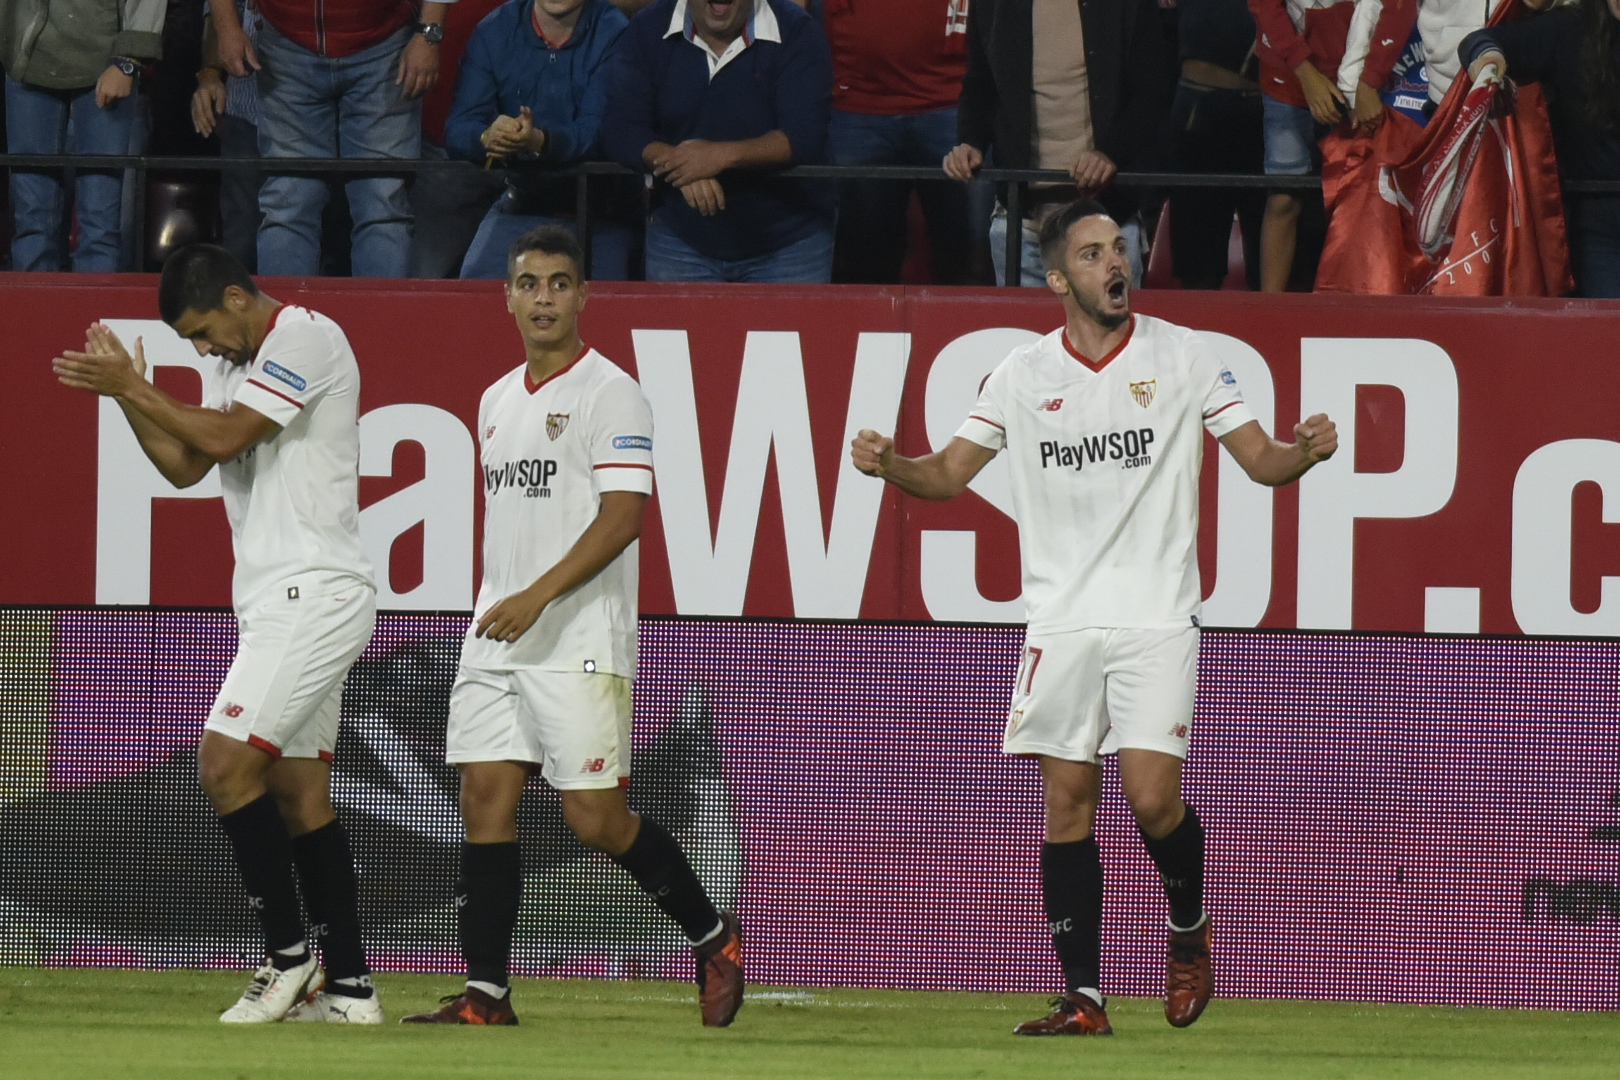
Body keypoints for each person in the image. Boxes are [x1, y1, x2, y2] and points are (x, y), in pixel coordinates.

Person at [850, 199, 1338, 1035]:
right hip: (1061, 620)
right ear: (1056, 278)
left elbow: (1261, 462)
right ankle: (1085, 997)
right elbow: (949, 474)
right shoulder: (1019, 374)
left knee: (1152, 800)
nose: (1115, 262)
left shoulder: (1185, 356)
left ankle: (1188, 930)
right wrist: (894, 464)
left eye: (1119, 247)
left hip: (1155, 614)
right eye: (1092, 253)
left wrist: (1303, 451)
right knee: (1067, 804)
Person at [401, 225, 743, 1027]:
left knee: (593, 820)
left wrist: (538, 597)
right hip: (498, 635)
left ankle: (711, 932)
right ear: (509, 296)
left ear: (584, 296)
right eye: (529, 283)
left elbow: (624, 518)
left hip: (580, 635)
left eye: (559, 283)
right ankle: (486, 992)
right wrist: (506, 600)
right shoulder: (493, 400)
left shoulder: (611, 393)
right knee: (484, 797)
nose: (544, 297)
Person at [49, 245, 381, 1022]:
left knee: (223, 766)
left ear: (238, 298)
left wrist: (136, 383)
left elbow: (227, 439)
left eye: (202, 331)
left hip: (317, 592)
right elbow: (184, 466)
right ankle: (354, 988)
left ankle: (288, 961)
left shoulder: (305, 336)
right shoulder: (236, 366)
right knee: (300, 794)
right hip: (275, 600)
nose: (201, 350)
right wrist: (126, 397)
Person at [206, 0, 452, 277]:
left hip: (384, 44)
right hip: (286, 45)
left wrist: (429, 34)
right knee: (288, 203)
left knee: (382, 206)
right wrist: (226, 26)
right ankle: (291, 317)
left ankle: (381, 319)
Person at [944, 0, 1176, 288]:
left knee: (1115, 333)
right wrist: (971, 142)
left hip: (1109, 220)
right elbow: (981, 83)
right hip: (1022, 225)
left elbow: (1150, 92)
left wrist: (1110, 154)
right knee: (1024, 333)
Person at [601, 0, 835, 283]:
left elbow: (804, 134)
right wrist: (681, 165)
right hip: (680, 241)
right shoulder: (648, 28)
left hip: (790, 245)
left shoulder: (797, 31)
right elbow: (622, 126)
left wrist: (719, 156)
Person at [446, 0, 633, 280]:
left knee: (602, 315)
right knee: (472, 303)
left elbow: (600, 133)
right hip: (522, 206)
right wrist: (488, 136)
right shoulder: (494, 30)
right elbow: (459, 126)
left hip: (602, 215)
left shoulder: (616, 33)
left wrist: (540, 141)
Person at [1461, 0, 1620, 297]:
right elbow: (1480, 42)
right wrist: (1487, 63)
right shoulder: (1570, 28)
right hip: (1594, 219)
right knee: (1607, 333)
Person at [822, 0, 987, 285]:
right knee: (862, 263)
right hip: (858, 105)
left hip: (954, 101)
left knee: (970, 257)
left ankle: (975, 329)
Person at [3, 0, 165, 272]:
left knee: (100, 222)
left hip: (105, 62)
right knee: (32, 219)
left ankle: (94, 310)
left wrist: (128, 60)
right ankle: (32, 311)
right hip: (27, 61)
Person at [1249, 0, 1356, 291]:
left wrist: (1368, 80)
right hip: (1287, 79)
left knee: (1357, 202)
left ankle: (1351, 307)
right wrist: (1306, 74)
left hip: (1357, 80)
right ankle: (1268, 315)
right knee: (1284, 199)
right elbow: (1265, 6)